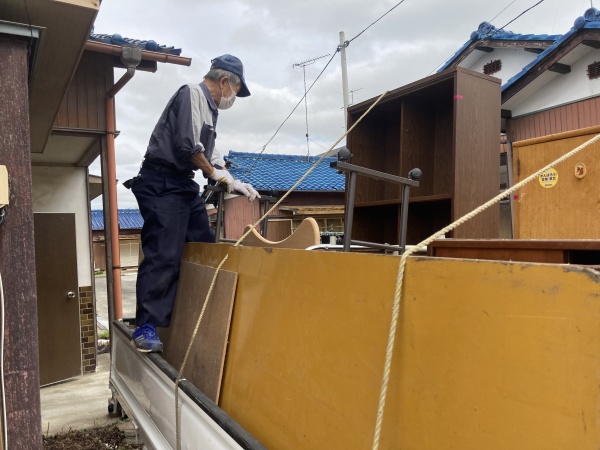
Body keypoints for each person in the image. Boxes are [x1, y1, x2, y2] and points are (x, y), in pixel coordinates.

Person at [125, 54, 260, 352]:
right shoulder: (191, 94)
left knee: (203, 244)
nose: (233, 97)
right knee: (165, 252)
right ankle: (146, 326)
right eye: (236, 91)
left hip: (183, 184)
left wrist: (233, 180)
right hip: (161, 181)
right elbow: (187, 145)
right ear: (225, 82)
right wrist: (214, 173)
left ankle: (197, 311)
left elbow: (210, 158)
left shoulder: (211, 113)